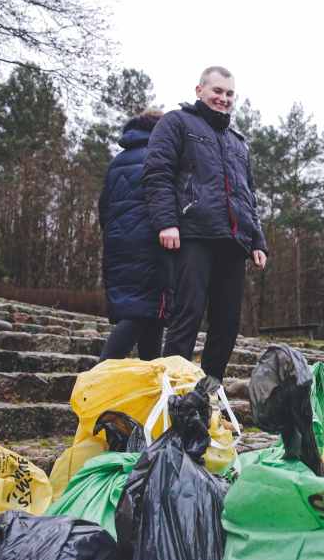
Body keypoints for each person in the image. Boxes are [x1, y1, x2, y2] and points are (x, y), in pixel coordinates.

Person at [142, 66, 268, 382]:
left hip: (234, 240)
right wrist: (166, 222)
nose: (223, 99)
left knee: (227, 322)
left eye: (229, 94)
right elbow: (158, 173)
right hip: (192, 234)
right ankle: (171, 394)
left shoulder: (238, 142)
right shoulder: (177, 122)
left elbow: (247, 195)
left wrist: (257, 241)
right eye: (217, 92)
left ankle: (206, 398)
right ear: (200, 91)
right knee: (189, 313)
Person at [97, 108, 172, 362]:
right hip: (150, 245)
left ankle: (152, 394)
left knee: (151, 316)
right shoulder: (161, 157)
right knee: (141, 312)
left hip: (118, 243)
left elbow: (104, 207)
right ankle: (96, 386)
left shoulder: (119, 159)